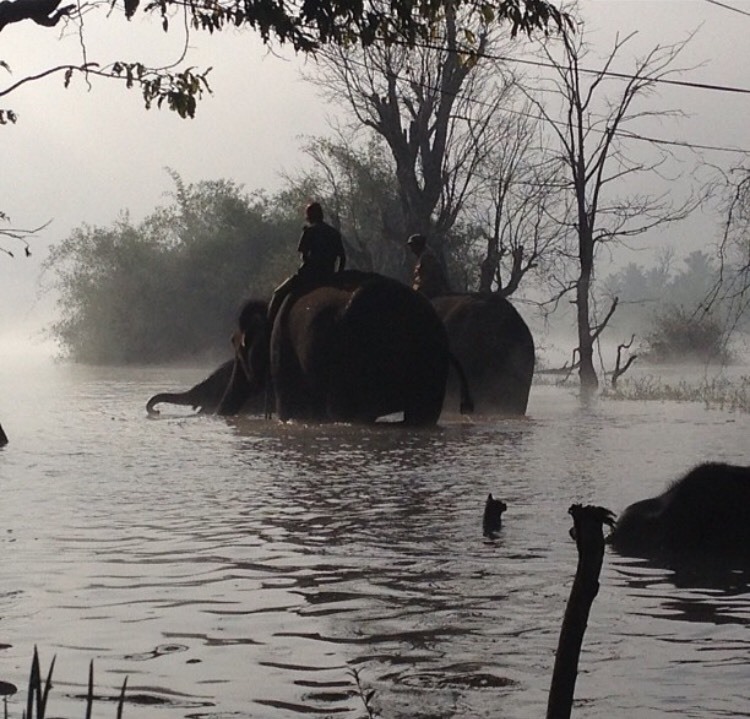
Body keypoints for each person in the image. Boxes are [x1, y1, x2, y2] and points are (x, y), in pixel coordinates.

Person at [268, 202, 346, 322]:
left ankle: (269, 329)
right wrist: (337, 275)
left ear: (309, 216)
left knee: (278, 293)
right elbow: (342, 257)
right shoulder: (333, 232)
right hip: (329, 274)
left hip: (308, 276)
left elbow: (303, 256)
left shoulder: (309, 231)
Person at [407, 233, 450, 299]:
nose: (411, 250)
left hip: (429, 292)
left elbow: (427, 278)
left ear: (418, 245)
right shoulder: (423, 257)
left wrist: (417, 291)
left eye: (413, 246)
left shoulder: (427, 257)